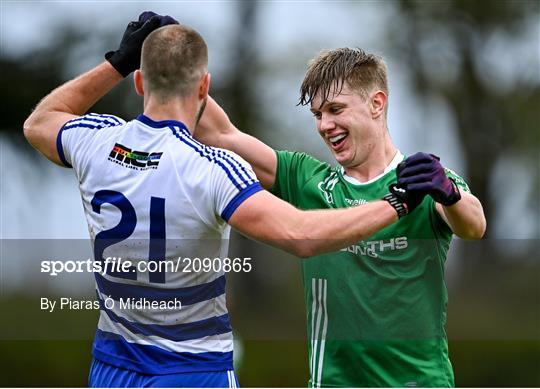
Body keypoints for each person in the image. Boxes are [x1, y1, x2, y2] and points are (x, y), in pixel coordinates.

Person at [23, 13, 425, 388]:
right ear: (204, 87)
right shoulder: (213, 169)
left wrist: (116, 62)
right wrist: (396, 203)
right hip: (193, 371)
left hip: (113, 368)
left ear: (139, 83)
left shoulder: (96, 142)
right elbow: (301, 235)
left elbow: (39, 122)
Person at [195, 48, 487, 387]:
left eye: (335, 109)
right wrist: (165, 60)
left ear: (377, 104)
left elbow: (474, 224)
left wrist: (449, 192)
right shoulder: (307, 180)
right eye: (317, 114)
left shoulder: (422, 181)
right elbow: (219, 135)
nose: (324, 125)